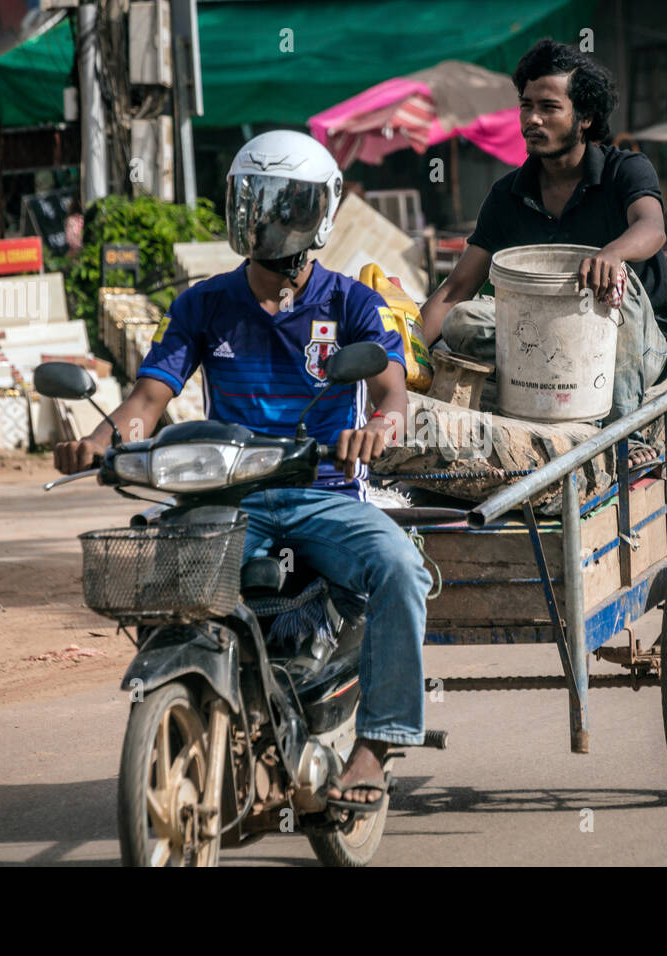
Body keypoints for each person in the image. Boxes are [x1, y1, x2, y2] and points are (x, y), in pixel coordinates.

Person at [52, 130, 431, 810]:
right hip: (227, 497)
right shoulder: (204, 304)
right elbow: (147, 400)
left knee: (399, 568)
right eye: (255, 201)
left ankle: (377, 744)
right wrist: (99, 440)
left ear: (319, 213)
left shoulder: (352, 303)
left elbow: (391, 390)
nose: (268, 218)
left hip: (323, 492)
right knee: (164, 575)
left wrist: (377, 428)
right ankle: (196, 703)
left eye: (287, 204)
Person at [419, 38, 667, 425]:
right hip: (549, 348)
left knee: (612, 285)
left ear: (585, 117)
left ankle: (627, 436)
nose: (532, 120)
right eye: (526, 106)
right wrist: (401, 355)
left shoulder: (624, 170)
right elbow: (456, 289)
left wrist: (612, 254)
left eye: (549, 108)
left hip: (637, 345)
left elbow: (652, 227)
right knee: (461, 320)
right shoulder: (507, 194)